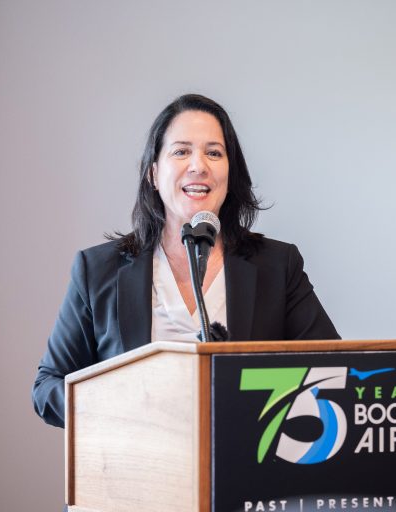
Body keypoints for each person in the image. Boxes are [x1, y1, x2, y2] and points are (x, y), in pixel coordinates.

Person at [33, 94, 339, 428]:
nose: (198, 166)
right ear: (153, 173)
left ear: (230, 173)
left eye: (214, 153)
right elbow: (48, 388)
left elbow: (334, 371)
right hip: (137, 455)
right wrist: (119, 403)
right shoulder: (98, 270)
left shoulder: (278, 265)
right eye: (181, 151)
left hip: (246, 455)